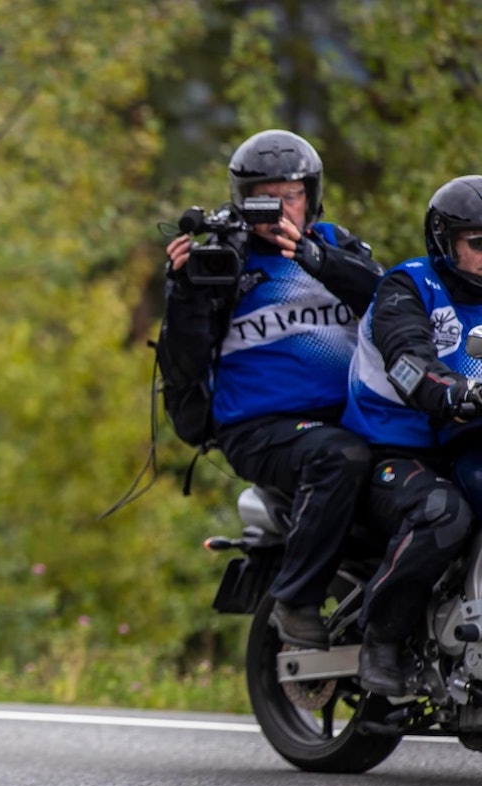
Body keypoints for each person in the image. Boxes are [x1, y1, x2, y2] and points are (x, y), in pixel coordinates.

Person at [158, 129, 384, 649]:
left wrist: (314, 257)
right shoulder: (223, 263)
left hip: (350, 416)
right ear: (242, 201)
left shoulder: (336, 248)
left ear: (312, 196)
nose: (280, 208)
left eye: (292, 195)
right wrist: (185, 291)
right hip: (260, 427)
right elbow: (184, 364)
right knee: (339, 455)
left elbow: (391, 304)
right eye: (266, 197)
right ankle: (296, 599)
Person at [342, 175, 482, 696]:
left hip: (464, 441)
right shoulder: (408, 286)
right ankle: (381, 637)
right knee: (444, 512)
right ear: (446, 241)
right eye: (478, 242)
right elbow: (406, 358)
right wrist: (447, 391)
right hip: (396, 449)